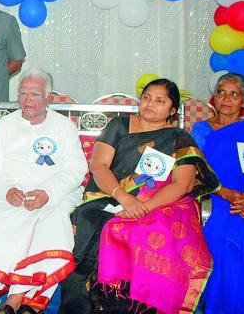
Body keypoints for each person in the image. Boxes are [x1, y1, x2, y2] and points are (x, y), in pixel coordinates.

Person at [59, 79, 219, 314]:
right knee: (93, 224)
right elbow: (100, 167)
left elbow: (182, 184)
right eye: (146, 97)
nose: (150, 104)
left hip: (157, 203)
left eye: (160, 100)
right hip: (108, 196)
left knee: (144, 232)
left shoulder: (178, 139)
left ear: (172, 111)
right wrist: (124, 198)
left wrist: (143, 206)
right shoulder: (119, 126)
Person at [0, 69, 87, 314]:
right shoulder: (5, 125)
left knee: (50, 221)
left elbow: (76, 169)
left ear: (49, 98)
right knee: (10, 218)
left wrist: (48, 192)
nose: (27, 100)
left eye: (35, 94)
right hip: (9, 193)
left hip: (54, 193)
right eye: (22, 93)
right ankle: (30, 304)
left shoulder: (64, 127)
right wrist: (6, 189)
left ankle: (14, 302)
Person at [192, 73, 244, 314]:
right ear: (214, 98)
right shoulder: (201, 130)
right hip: (217, 197)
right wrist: (227, 194)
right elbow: (196, 171)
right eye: (221, 92)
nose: (227, 98)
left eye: (234, 94)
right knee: (222, 239)